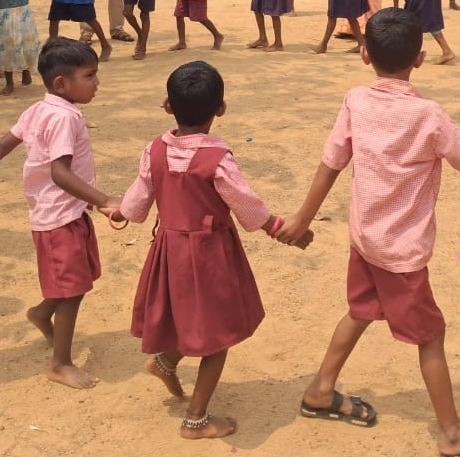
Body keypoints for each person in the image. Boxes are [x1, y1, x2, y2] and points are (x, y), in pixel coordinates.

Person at [276, 8, 460, 457]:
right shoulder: (430, 115)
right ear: (421, 58)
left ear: (364, 55)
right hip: (400, 251)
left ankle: (321, 391)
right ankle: (450, 433)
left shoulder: (356, 100)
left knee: (361, 310)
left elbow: (331, 161)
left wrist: (303, 218)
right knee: (430, 336)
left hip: (365, 238)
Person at [108, 61, 310, 439]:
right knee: (217, 333)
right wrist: (280, 230)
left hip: (170, 252)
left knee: (186, 314)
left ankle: (167, 360)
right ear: (221, 109)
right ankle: (196, 419)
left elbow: (136, 205)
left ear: (167, 106)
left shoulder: (154, 151)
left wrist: (118, 211)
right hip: (210, 254)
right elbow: (247, 205)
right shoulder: (217, 160)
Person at [0, 38, 118, 389]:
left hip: (63, 213)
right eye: (90, 75)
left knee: (75, 282)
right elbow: (61, 173)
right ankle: (61, 363)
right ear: (61, 83)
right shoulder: (62, 118)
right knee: (72, 289)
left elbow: (2, 145)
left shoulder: (40, 109)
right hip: (59, 218)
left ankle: (42, 312)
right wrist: (102, 200)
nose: (97, 81)